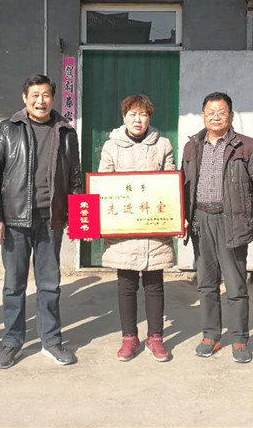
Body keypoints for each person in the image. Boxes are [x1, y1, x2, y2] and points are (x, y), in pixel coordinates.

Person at [0, 74, 82, 369]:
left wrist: (78, 219)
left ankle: (51, 341)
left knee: (49, 284)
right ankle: (12, 342)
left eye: (46, 95)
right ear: (25, 98)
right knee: (14, 285)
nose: (41, 101)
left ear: (53, 98)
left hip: (51, 220)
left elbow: (75, 178)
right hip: (14, 220)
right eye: (35, 95)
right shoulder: (8, 129)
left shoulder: (66, 131)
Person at [181, 92, 253, 363]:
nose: (216, 117)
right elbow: (184, 183)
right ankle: (210, 335)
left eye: (221, 112)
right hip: (201, 218)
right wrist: (184, 215)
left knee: (235, 284)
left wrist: (240, 205)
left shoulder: (247, 146)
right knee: (206, 282)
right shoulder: (192, 146)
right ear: (203, 116)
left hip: (231, 220)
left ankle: (239, 337)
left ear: (231, 116)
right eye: (211, 112)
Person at [98, 95, 176, 362]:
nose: (137, 119)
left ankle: (155, 337)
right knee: (126, 284)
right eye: (132, 114)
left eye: (142, 114)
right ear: (124, 117)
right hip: (125, 228)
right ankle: (129, 337)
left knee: (154, 284)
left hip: (155, 227)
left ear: (149, 117)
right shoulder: (111, 146)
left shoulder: (163, 145)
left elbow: (170, 184)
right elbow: (103, 184)